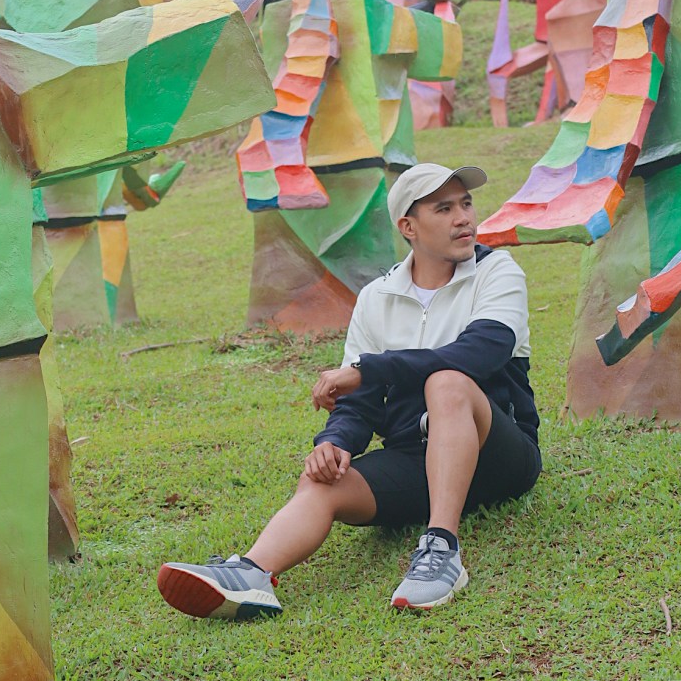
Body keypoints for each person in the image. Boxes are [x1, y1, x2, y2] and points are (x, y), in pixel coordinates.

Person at [157, 163, 541, 618]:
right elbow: (359, 402)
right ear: (408, 227)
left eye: (466, 204)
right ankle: (252, 574)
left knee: (448, 383)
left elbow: (481, 353)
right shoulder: (377, 297)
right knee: (324, 481)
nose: (464, 218)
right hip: (416, 465)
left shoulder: (496, 272)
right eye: (444, 209)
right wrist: (335, 441)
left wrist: (368, 369)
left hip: (500, 457)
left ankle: (442, 550)